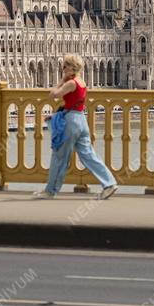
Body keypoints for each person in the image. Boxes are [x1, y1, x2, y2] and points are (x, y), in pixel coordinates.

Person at [34, 54, 118, 200]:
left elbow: (53, 95)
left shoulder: (71, 83)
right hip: (81, 120)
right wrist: (55, 115)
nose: (63, 67)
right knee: (89, 156)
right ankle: (109, 183)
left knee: (59, 156)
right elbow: (72, 104)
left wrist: (61, 80)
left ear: (73, 67)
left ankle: (50, 190)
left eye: (66, 65)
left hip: (71, 122)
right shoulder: (81, 82)